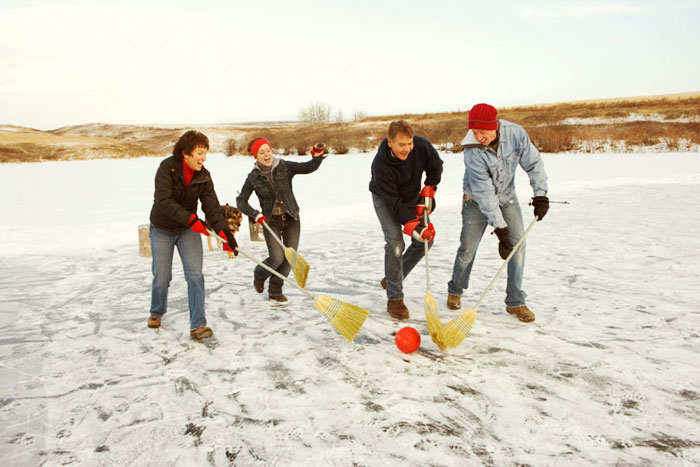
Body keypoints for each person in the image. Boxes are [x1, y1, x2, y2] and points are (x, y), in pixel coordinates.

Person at [447, 103, 549, 322]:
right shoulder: (472, 151)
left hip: (506, 197)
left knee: (518, 246)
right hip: (475, 200)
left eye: (483, 132)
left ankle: (515, 301)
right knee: (468, 249)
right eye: (475, 132)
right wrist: (500, 229)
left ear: (495, 126)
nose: (479, 136)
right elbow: (484, 194)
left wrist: (540, 194)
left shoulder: (515, 134)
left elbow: (533, 163)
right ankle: (455, 289)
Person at [148, 130, 238, 340]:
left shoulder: (204, 176)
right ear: (185, 154)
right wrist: (191, 220)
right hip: (162, 229)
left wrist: (226, 235)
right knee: (162, 277)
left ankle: (198, 325)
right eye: (199, 153)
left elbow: (212, 209)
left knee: (195, 275)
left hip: (188, 230)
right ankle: (156, 311)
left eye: (205, 153)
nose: (204, 158)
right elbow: (164, 201)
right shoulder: (166, 168)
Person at [369, 120, 443, 319]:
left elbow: (436, 167)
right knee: (395, 242)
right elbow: (393, 205)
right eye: (402, 145)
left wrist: (430, 189)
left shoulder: (421, 146)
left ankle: (393, 278)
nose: (407, 149)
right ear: (390, 142)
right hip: (386, 199)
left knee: (425, 240)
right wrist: (413, 224)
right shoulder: (380, 165)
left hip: (411, 194)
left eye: (409, 143)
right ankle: (395, 298)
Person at [236, 138, 327, 301]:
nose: (266, 154)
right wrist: (255, 214)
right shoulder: (253, 177)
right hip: (271, 221)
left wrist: (317, 157)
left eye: (268, 150)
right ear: (255, 156)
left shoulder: (283, 166)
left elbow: (307, 167)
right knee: (276, 258)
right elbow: (241, 201)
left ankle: (275, 290)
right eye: (261, 152)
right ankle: (259, 273)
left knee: (290, 257)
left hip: (292, 218)